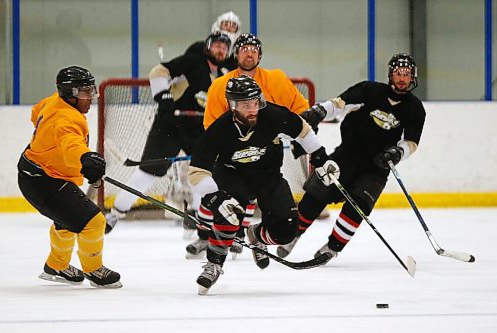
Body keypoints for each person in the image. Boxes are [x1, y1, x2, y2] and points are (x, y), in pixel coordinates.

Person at [188, 76, 338, 294]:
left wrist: (320, 156)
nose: (253, 109)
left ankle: (256, 235)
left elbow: (302, 129)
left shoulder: (273, 116)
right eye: (246, 105)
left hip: (268, 176)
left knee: (287, 229)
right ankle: (214, 264)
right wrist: (215, 197)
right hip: (232, 176)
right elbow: (196, 171)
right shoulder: (219, 129)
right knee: (228, 213)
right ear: (232, 105)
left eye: (255, 102)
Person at [185, 32, 327, 259]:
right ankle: (207, 236)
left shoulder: (277, 79)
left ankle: (255, 236)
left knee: (272, 202)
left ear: (260, 55)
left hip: (266, 153)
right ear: (235, 54)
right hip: (234, 158)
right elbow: (212, 127)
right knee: (224, 198)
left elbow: (300, 112)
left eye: (254, 49)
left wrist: (304, 138)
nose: (249, 53)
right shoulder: (221, 85)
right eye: (244, 49)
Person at [276, 53, 426, 263]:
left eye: (407, 74)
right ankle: (292, 236)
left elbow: (411, 142)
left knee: (359, 205)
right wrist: (320, 111)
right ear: (390, 75)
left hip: (377, 167)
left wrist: (398, 153)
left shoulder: (415, 109)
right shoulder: (369, 90)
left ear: (413, 78)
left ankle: (332, 248)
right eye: (398, 73)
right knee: (317, 193)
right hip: (347, 156)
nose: (402, 78)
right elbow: (340, 103)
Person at [104, 32, 232, 234]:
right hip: (169, 125)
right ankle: (114, 214)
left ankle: (201, 221)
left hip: (199, 130)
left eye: (225, 47)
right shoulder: (192, 62)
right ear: (207, 47)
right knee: (147, 175)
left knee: (204, 174)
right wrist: (164, 96)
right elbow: (158, 71)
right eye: (217, 45)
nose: (221, 50)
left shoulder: (225, 75)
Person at [17, 66, 122, 288]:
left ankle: (56, 264)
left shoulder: (54, 101)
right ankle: (94, 270)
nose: (91, 97)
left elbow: (36, 113)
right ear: (69, 93)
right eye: (85, 92)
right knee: (94, 222)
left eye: (91, 90)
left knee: (67, 223)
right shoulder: (67, 119)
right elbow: (71, 144)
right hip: (43, 180)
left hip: (40, 173)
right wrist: (86, 158)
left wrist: (46, 142)